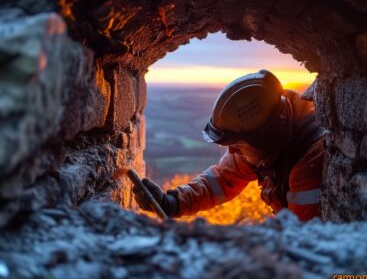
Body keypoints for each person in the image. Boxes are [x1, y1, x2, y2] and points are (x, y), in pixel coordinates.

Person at [134, 69, 325, 221]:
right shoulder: (261, 146)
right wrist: (171, 202)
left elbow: (300, 237)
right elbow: (220, 182)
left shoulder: (308, 166)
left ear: (264, 139)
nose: (232, 150)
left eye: (238, 144)